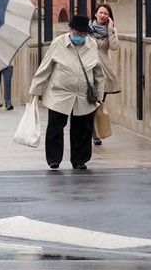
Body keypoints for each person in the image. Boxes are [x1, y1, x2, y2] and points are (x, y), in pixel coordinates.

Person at [29, 15, 105, 170]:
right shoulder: (58, 43)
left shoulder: (92, 45)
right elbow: (45, 67)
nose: (80, 36)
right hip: (59, 93)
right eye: (78, 33)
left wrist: (99, 95)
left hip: (83, 95)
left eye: (83, 34)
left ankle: (80, 160)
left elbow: (98, 72)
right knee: (55, 127)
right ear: (71, 30)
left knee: (83, 128)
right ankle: (54, 159)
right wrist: (35, 90)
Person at [90, 3, 120, 145]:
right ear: (95, 14)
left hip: (104, 72)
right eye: (101, 12)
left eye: (106, 14)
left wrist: (110, 30)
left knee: (99, 103)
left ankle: (96, 134)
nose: (103, 15)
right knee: (88, 103)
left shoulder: (110, 31)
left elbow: (114, 47)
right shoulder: (87, 29)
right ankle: (89, 131)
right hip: (89, 69)